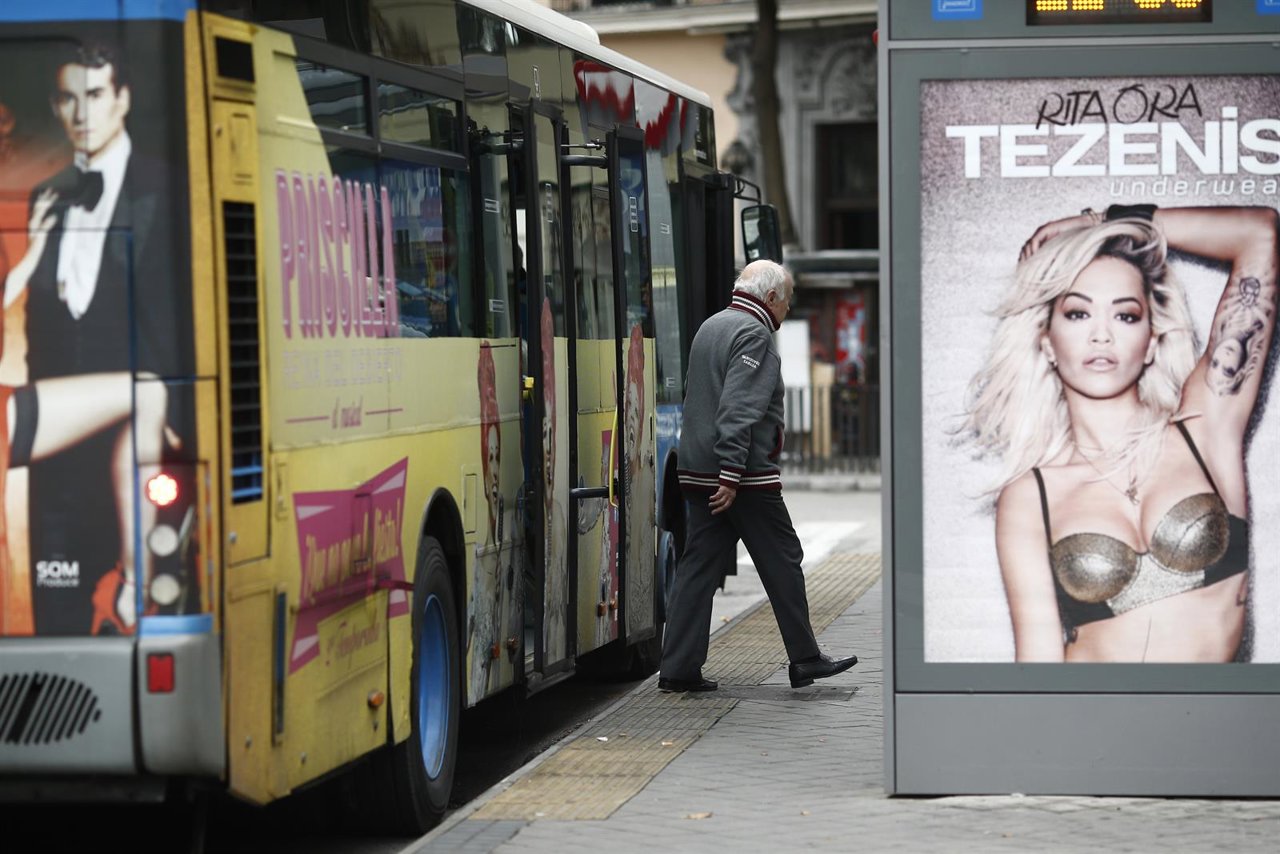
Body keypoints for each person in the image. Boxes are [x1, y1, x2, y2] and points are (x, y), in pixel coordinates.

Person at [964, 204, 1278, 662]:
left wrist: (1101, 222)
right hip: (1095, 726)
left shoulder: (1206, 429)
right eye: (1077, 314)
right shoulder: (1031, 495)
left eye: (1126, 316)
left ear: (1151, 341)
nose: (1101, 336)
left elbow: (1259, 234)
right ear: (1048, 343)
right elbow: (1037, 668)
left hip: (1216, 725)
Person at [4, 41, 187, 634]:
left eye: (95, 95)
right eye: (67, 98)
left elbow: (181, 310)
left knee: (153, 616)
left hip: (140, 454)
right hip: (56, 449)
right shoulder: (45, 195)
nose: (81, 113)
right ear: (56, 108)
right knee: (54, 612)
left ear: (123, 99)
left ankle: (135, 586)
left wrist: (181, 422)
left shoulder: (170, 187)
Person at [660, 260, 858, 692]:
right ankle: (805, 659)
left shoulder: (711, 326)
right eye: (787, 303)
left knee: (697, 567)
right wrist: (731, 473)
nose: (785, 313)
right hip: (741, 479)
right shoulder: (754, 334)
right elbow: (738, 409)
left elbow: (700, 397)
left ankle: (677, 669)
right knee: (784, 557)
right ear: (770, 298)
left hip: (696, 470)